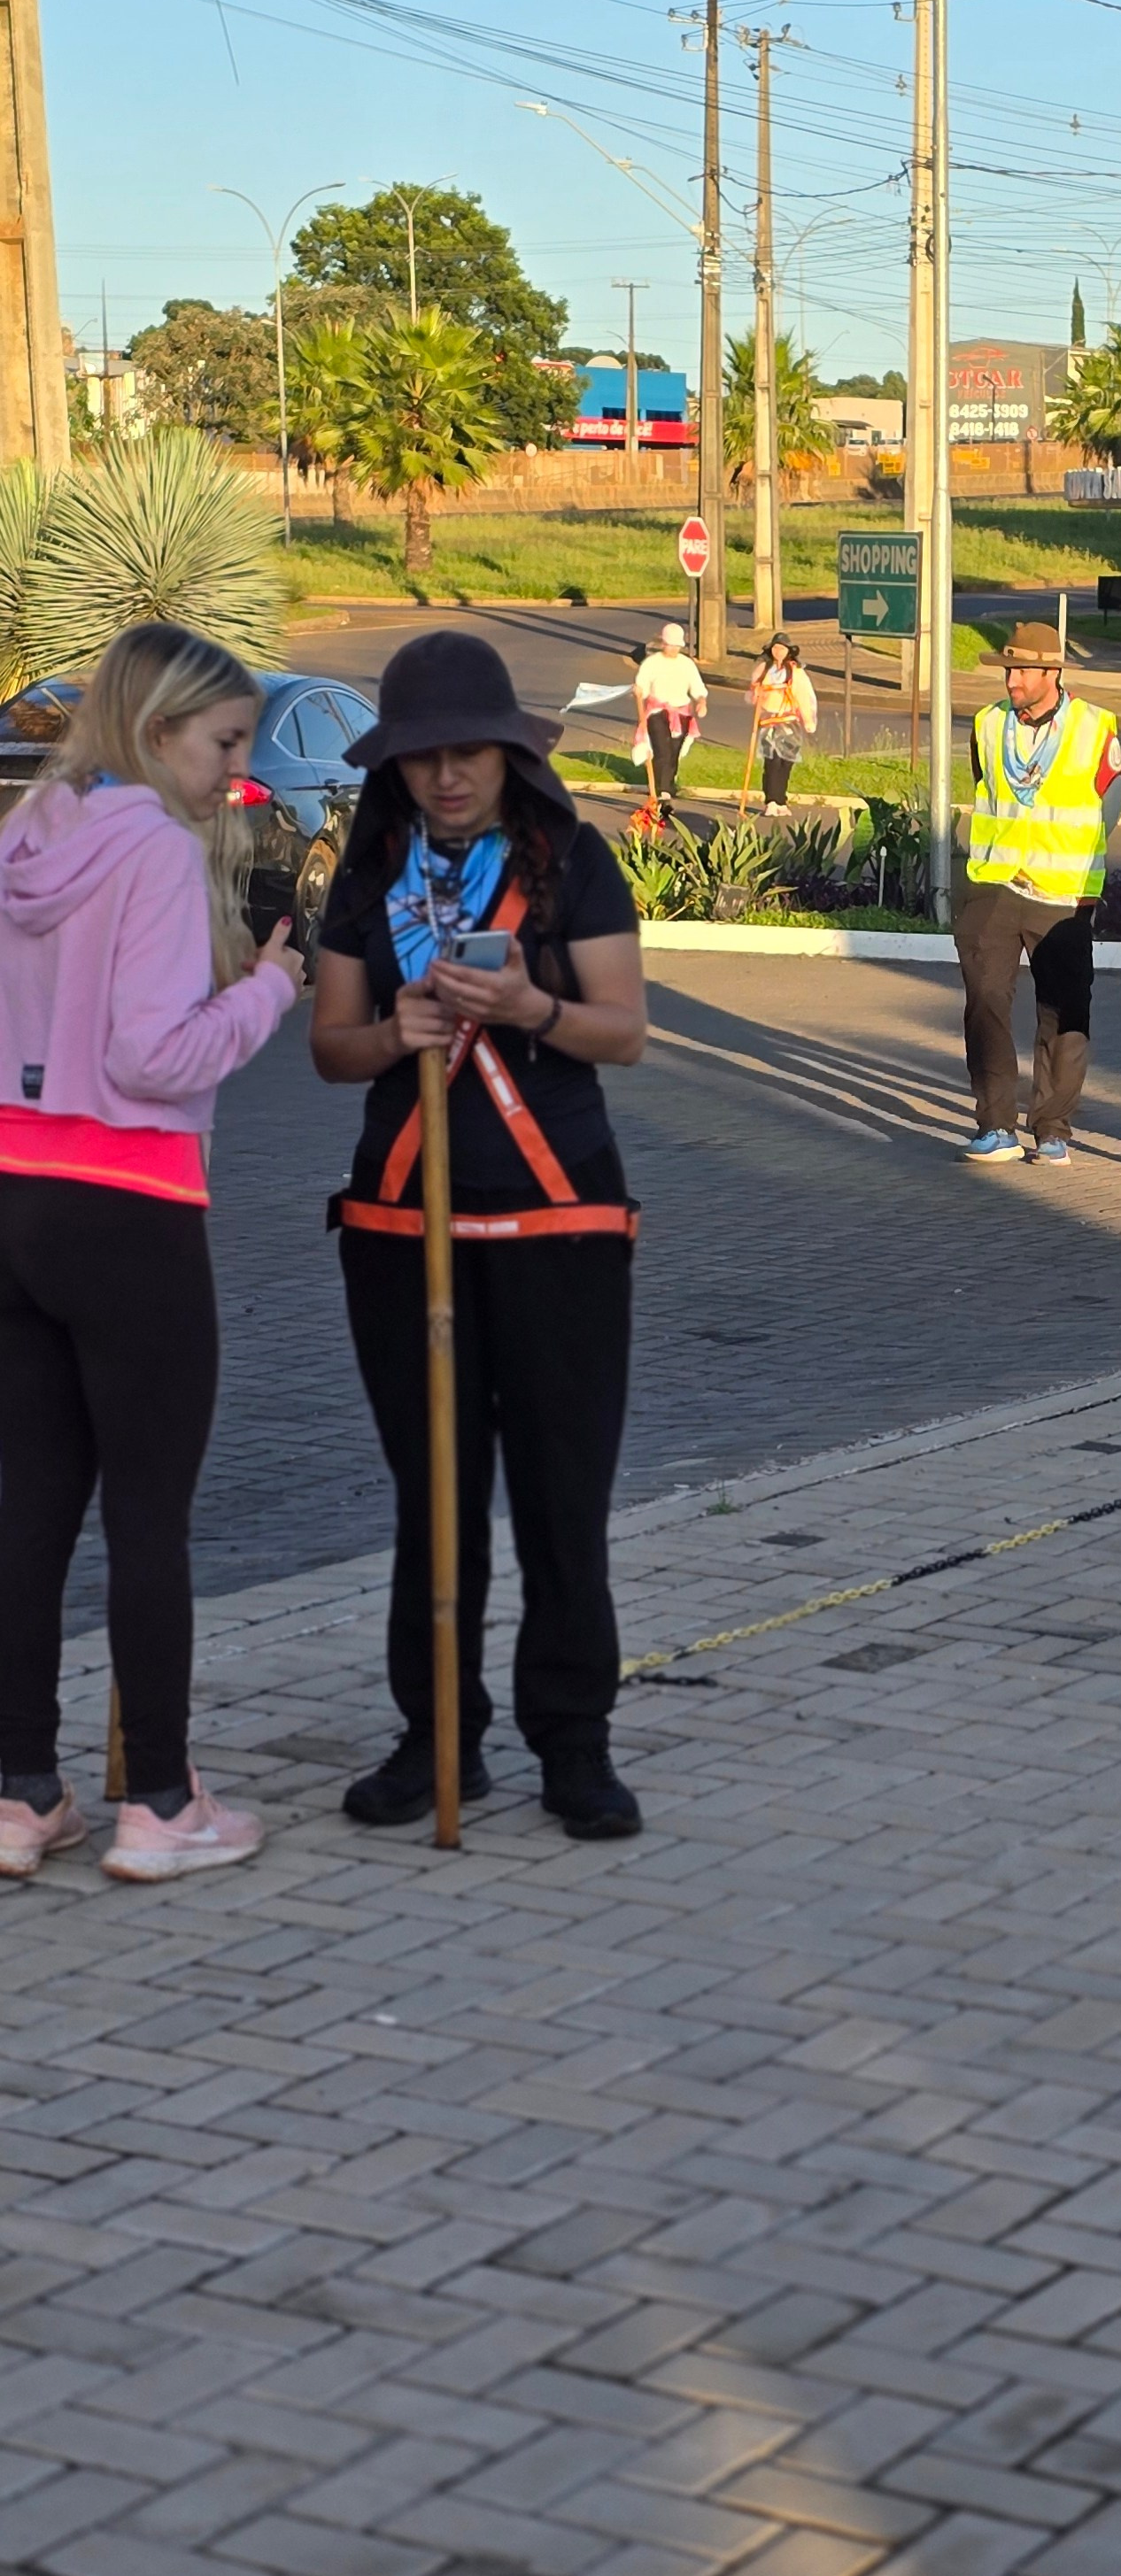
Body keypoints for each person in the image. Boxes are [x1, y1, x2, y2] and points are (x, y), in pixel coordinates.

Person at [311, 632, 649, 1839]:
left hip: (559, 1220)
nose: (446, 776)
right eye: (421, 758)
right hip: (403, 1221)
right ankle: (437, 1732)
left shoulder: (574, 862)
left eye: (467, 753)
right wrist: (392, 1033)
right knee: (434, 1496)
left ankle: (575, 1741)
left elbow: (623, 1030)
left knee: (563, 1493)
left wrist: (529, 1007)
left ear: (510, 753)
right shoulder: (370, 876)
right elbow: (330, 1047)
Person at [0, 622, 301, 1882]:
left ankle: (20, 1792)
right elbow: (154, 1055)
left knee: (26, 1506)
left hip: (15, 1190)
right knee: (148, 1513)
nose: (235, 771)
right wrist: (269, 988)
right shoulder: (161, 854)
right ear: (160, 728)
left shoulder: (24, 836)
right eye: (224, 743)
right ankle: (162, 1803)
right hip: (130, 1200)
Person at [955, 619, 1121, 1168]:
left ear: (1051, 673)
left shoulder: (1095, 727)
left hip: (1063, 893)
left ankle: (1051, 1127)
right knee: (985, 1002)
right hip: (996, 884)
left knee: (1063, 1012)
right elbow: (985, 787)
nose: (1011, 681)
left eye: (1022, 671)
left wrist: (1072, 862)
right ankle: (995, 1124)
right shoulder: (986, 724)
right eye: (1008, 670)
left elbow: (1111, 807)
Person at [631, 617, 707, 824]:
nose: (673, 649)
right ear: (663, 643)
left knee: (674, 753)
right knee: (662, 751)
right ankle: (660, 793)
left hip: (681, 713)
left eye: (677, 646)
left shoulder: (686, 664)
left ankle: (667, 787)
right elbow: (642, 684)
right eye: (670, 645)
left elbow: (697, 686)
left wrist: (701, 701)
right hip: (658, 711)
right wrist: (639, 691)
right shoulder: (652, 663)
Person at [748, 632, 816, 814]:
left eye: (782, 648)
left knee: (787, 761)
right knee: (772, 760)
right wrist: (756, 693)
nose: (778, 652)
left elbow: (804, 696)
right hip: (769, 720)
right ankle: (771, 800)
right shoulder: (763, 669)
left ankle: (781, 800)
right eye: (776, 648)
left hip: (789, 721)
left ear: (789, 651)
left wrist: (808, 719)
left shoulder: (796, 672)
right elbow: (752, 693)